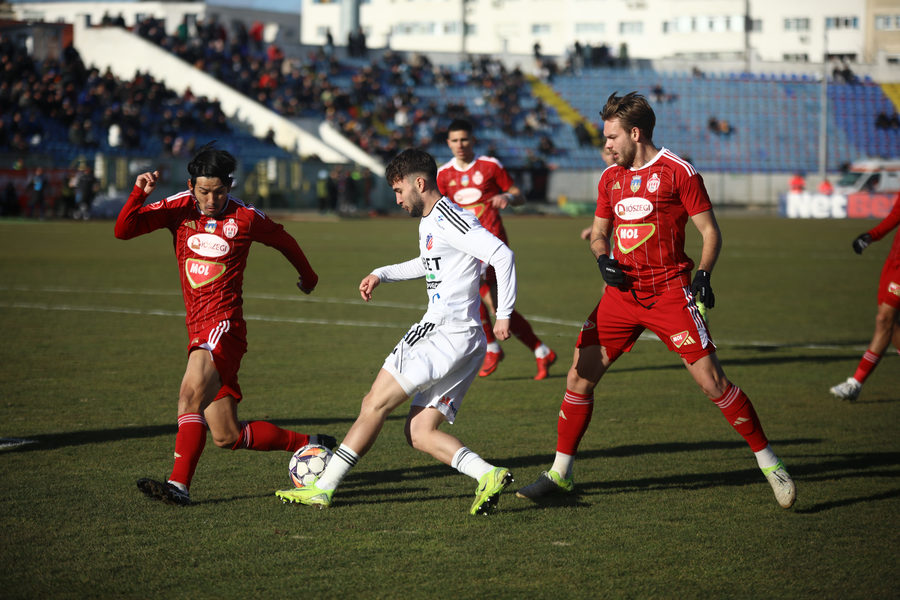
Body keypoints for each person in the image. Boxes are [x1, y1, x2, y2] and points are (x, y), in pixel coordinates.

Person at [516, 92, 796, 509]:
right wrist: (601, 258)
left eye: (611, 137)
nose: (605, 146)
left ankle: (770, 464)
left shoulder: (677, 171)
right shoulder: (610, 178)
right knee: (578, 377)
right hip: (620, 297)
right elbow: (598, 233)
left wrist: (703, 275)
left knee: (712, 382)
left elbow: (711, 232)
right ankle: (560, 475)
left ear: (635, 133)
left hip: (670, 293)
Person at [275, 148, 517, 515]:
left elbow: (502, 254)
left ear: (419, 183)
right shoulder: (433, 221)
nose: (398, 199)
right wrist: (382, 273)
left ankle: (322, 488)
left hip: (442, 332)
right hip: (466, 339)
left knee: (373, 403)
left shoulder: (450, 217)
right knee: (419, 432)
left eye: (399, 191)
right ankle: (488, 474)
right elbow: (429, 262)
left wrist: (504, 314)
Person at [114, 144, 334, 506]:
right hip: (197, 327)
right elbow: (124, 230)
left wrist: (308, 278)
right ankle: (308, 443)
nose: (211, 199)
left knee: (188, 397)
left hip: (223, 326)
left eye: (219, 191)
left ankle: (178, 486)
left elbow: (284, 239)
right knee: (227, 435)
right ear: (191, 185)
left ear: (229, 186)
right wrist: (139, 192)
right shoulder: (179, 207)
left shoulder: (245, 218)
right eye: (203, 191)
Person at [437, 118, 557, 380]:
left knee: (472, 294)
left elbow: (519, 194)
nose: (460, 145)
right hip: (464, 245)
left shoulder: (490, 166)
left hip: (492, 241)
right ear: (448, 143)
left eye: (464, 139)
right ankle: (540, 350)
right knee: (493, 304)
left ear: (473, 140)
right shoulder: (444, 175)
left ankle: (492, 347)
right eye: (455, 140)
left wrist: (508, 197)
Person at [830, 193, 900, 401]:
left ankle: (856, 383)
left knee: (884, 320)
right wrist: (872, 235)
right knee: (893, 325)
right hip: (894, 262)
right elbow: (897, 214)